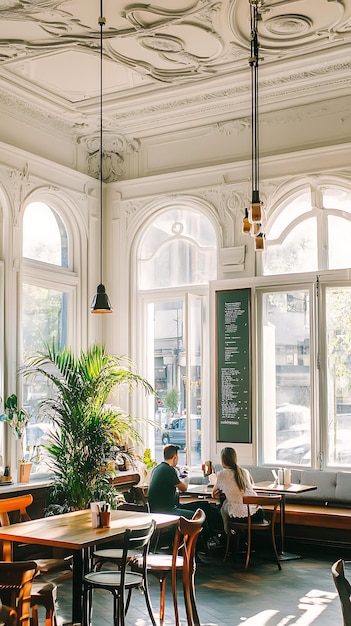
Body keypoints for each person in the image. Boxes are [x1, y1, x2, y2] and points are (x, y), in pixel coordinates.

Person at [148, 444, 221, 551]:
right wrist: (186, 476)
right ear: (175, 457)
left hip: (163, 508)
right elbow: (184, 488)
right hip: (167, 511)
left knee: (203, 505)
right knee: (198, 516)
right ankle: (203, 546)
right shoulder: (168, 470)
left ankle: (209, 539)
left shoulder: (157, 469)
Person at [212, 446, 264, 534]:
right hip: (257, 514)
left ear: (222, 461)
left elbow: (213, 494)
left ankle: (228, 536)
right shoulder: (245, 472)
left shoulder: (221, 474)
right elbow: (251, 486)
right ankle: (242, 538)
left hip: (238, 517)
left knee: (219, 508)